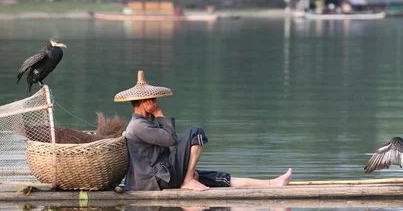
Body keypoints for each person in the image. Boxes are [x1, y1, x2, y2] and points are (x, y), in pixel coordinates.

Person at [114, 71, 292, 191]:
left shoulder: (144, 123)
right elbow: (171, 140)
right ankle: (188, 179)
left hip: (163, 175)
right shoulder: (139, 126)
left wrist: (187, 170)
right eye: (152, 100)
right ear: (145, 103)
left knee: (218, 178)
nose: (155, 103)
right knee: (196, 132)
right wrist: (159, 114)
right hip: (155, 181)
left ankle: (272, 183)